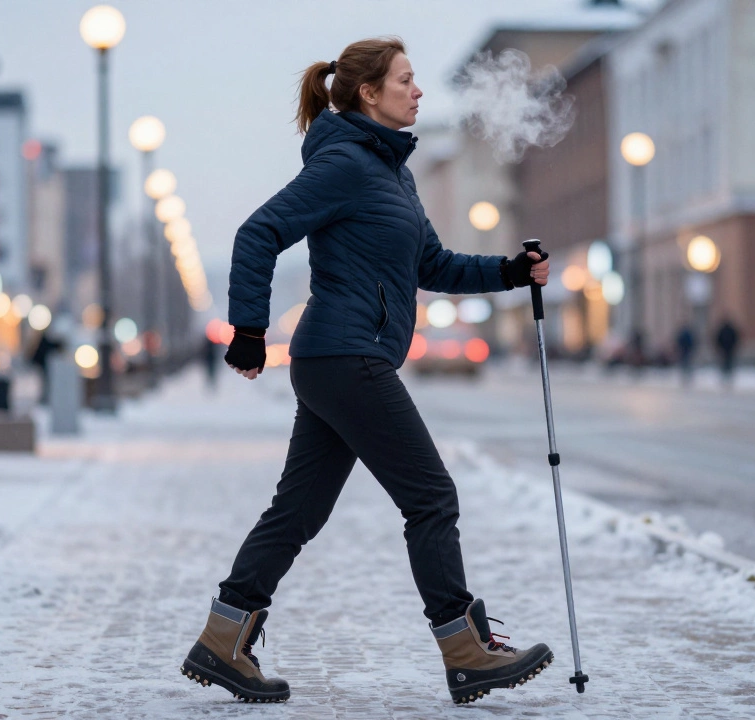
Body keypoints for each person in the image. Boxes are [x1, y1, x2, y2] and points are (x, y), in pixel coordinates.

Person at [182, 38, 554, 706]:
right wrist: (248, 330)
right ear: (368, 94)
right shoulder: (347, 166)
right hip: (344, 357)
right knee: (431, 497)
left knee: (297, 511)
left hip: (343, 360)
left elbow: (430, 266)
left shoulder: (392, 174)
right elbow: (257, 232)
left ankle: (223, 639)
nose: (418, 92)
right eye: (406, 80)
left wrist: (509, 272)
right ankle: (464, 650)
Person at [715, 318, 740, 388]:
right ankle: (726, 378)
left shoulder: (726, 330)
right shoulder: (727, 330)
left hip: (728, 349)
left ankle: (727, 378)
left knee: (727, 364)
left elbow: (735, 338)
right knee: (726, 364)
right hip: (727, 349)